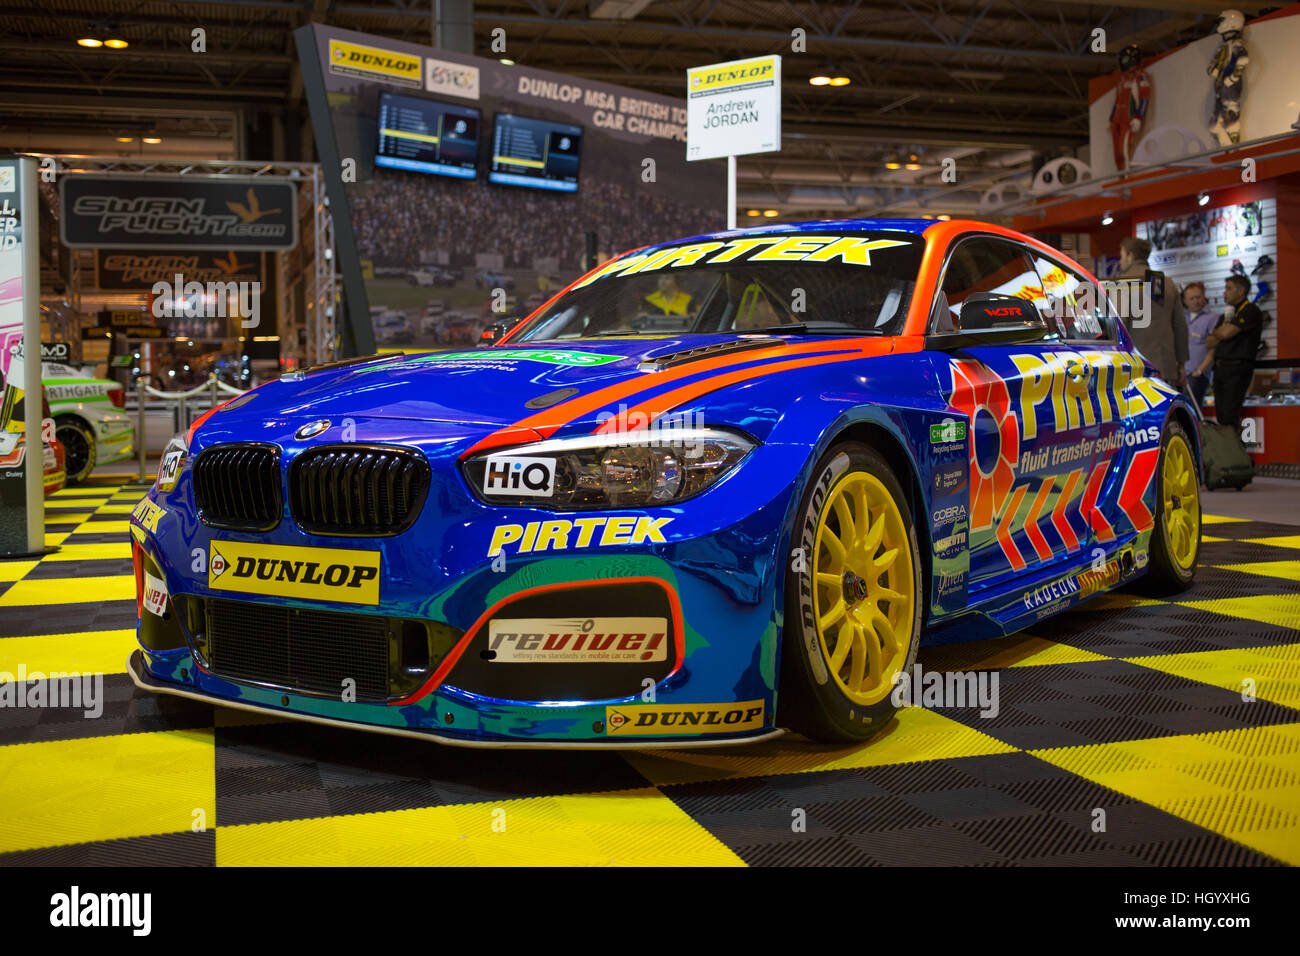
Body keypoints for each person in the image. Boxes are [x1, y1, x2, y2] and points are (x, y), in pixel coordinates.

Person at [1193, 273, 1262, 427]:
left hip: (1237, 368)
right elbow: (1209, 341)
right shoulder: (1227, 315)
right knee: (1221, 415)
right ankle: (1227, 448)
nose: (1225, 292)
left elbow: (1225, 333)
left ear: (1241, 290)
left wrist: (1222, 332)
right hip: (1220, 369)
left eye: (1229, 288)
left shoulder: (1250, 310)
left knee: (1230, 415)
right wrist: (1222, 332)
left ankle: (1233, 449)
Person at [1117, 236, 1187, 386]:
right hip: (1166, 366)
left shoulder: (1124, 283)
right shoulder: (1165, 283)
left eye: (1122, 255)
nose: (1120, 261)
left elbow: (1119, 326)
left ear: (1131, 256)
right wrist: (1181, 363)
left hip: (1136, 368)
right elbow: (1180, 326)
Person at [1182, 281, 1217, 405]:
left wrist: (1200, 371)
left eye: (1198, 297)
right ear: (1185, 300)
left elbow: (1214, 348)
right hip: (1181, 373)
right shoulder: (1181, 316)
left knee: (1193, 410)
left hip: (1197, 374)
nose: (1196, 301)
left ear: (1204, 297)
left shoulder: (1212, 318)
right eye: (1192, 298)